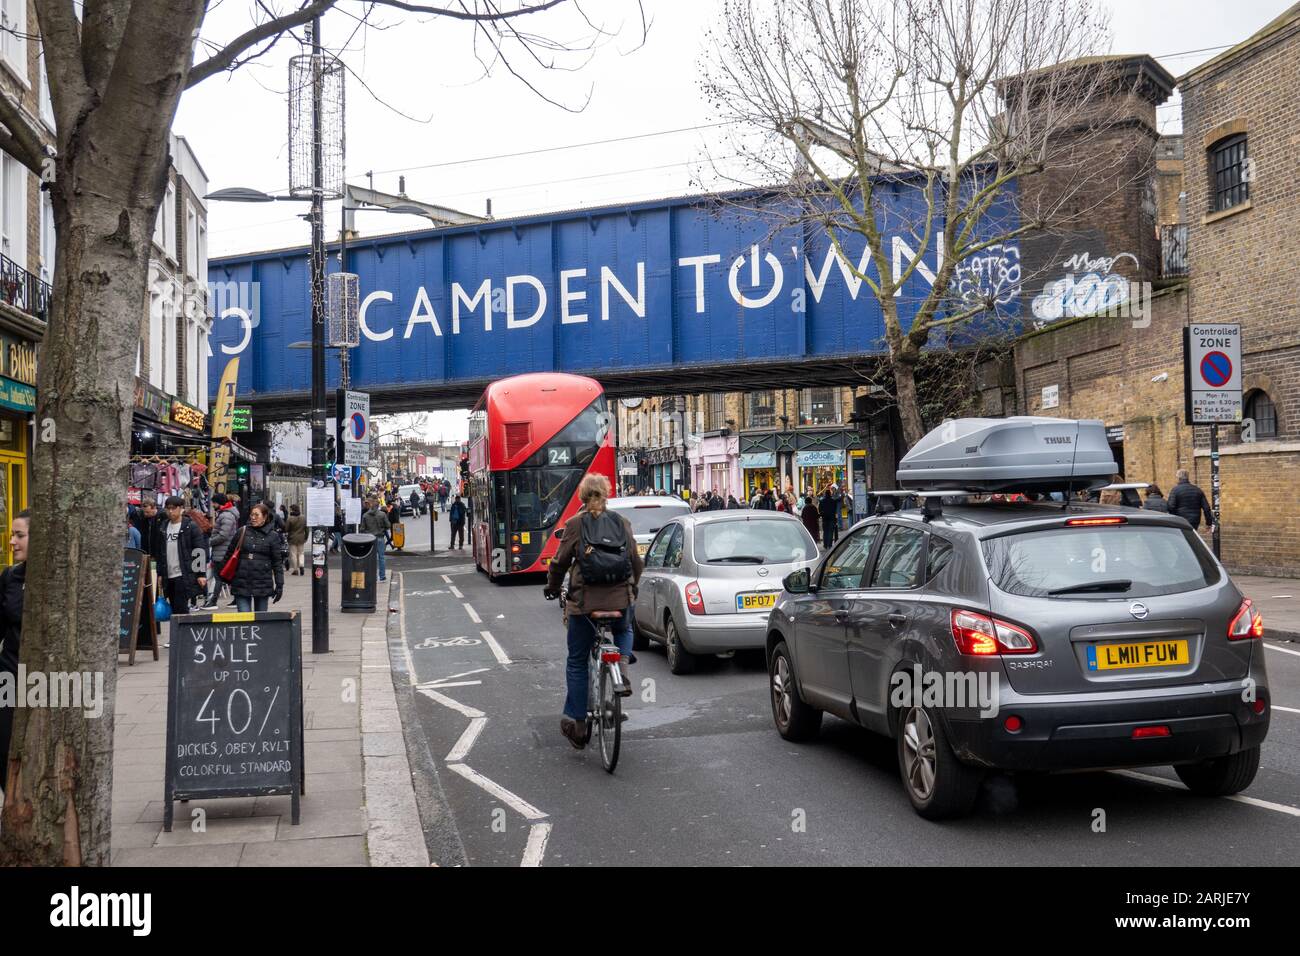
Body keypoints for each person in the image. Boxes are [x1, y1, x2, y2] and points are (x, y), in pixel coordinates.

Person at [543, 474, 644, 749]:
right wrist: (632, 589)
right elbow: (636, 561)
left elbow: (559, 562)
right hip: (619, 600)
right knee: (624, 628)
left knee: (576, 660)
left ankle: (578, 722)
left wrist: (552, 586)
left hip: (585, 605)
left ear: (583, 496)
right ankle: (621, 671)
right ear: (607, 493)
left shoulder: (575, 524)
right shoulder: (622, 523)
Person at [0, 511, 29, 775]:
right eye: (12, 535)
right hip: (8, 676)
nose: (12, 541)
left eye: (19, 535)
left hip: (49, 682)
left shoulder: (57, 582)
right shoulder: (10, 577)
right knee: (3, 746)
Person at [152, 496, 208, 617]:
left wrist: (201, 574)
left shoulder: (190, 526)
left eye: (173, 508)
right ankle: (180, 634)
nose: (170, 511)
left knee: (180, 608)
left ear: (181, 509)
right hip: (168, 574)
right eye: (168, 508)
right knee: (174, 608)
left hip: (183, 574)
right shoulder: (163, 527)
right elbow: (160, 552)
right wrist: (160, 573)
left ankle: (182, 635)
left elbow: (199, 551)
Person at [229, 502, 285, 613]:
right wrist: (224, 577)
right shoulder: (242, 531)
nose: (253, 518)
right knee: (244, 620)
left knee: (260, 622)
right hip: (241, 583)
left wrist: (279, 585)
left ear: (264, 517)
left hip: (262, 584)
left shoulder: (272, 536)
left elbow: (277, 563)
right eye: (251, 515)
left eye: (256, 515)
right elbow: (229, 554)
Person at [204, 493, 239, 608]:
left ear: (218, 503)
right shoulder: (225, 514)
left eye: (214, 502)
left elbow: (223, 535)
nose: (212, 505)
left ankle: (213, 602)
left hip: (222, 551)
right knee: (225, 577)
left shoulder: (226, 515)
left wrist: (211, 541)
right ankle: (237, 599)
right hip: (223, 551)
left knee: (218, 577)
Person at [1167, 468, 1215, 532]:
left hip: (1180, 520)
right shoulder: (1197, 490)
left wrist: (1174, 517)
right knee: (1192, 536)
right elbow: (1206, 508)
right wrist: (1209, 523)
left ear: (1178, 478)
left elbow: (1170, 506)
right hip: (1195, 520)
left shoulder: (1175, 490)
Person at [360, 498, 391, 581]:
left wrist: (367, 532)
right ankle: (382, 576)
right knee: (381, 557)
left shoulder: (365, 515)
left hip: (369, 539)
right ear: (378, 506)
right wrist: (382, 528)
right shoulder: (382, 515)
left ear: (370, 506)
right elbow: (388, 525)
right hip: (380, 538)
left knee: (371, 558)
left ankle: (372, 576)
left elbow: (362, 529)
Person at [285, 504, 308, 575]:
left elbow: (286, 529)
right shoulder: (303, 518)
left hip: (292, 538)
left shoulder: (290, 518)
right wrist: (306, 537)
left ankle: (295, 570)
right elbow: (306, 529)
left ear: (292, 510)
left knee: (293, 554)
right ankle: (301, 565)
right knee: (301, 553)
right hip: (301, 538)